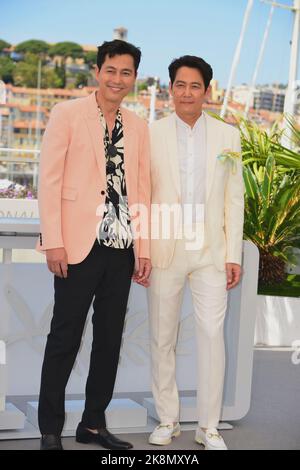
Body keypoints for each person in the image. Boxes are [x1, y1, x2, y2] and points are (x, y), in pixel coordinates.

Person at [37, 39, 151, 450]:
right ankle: (50, 428)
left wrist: (146, 248)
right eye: (111, 70)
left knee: (109, 340)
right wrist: (54, 242)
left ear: (134, 78)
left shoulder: (138, 125)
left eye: (126, 73)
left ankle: (92, 425)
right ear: (97, 72)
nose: (118, 79)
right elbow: (48, 181)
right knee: (64, 336)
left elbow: (142, 189)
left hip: (121, 248)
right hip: (76, 245)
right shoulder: (66, 114)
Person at [147, 55, 244, 450]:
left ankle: (209, 426)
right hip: (164, 246)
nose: (187, 93)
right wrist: (143, 249)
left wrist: (233, 252)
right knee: (162, 336)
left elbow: (234, 199)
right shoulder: (150, 134)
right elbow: (141, 194)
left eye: (195, 86)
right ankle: (168, 419)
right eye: (180, 85)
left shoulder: (228, 137)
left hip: (211, 251)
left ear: (207, 91)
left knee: (210, 334)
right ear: (171, 89)